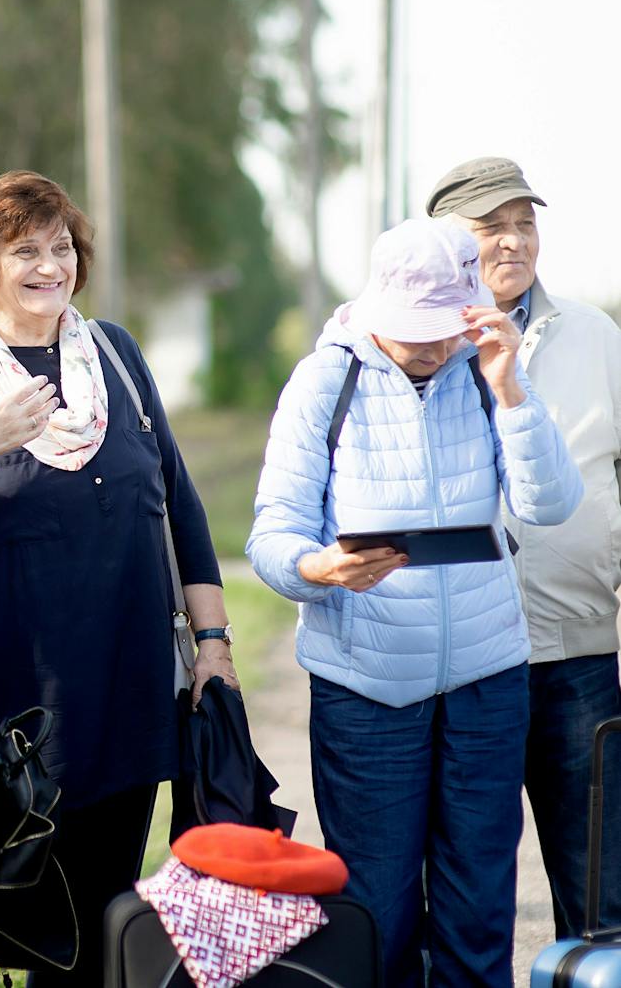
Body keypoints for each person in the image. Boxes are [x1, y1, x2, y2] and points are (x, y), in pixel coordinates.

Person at [0, 170, 237, 988]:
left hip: (121, 700)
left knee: (91, 938)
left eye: (61, 246)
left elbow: (179, 505)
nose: (50, 265)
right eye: (25, 250)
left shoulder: (116, 354)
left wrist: (213, 646)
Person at [247, 217, 582, 986]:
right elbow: (272, 535)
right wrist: (320, 567)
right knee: (377, 910)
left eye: (443, 328)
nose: (431, 346)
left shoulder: (485, 370)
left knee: (479, 907)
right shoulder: (325, 380)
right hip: (366, 692)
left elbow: (550, 502)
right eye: (414, 331)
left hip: (488, 683)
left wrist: (512, 391)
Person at [426, 157, 621, 941]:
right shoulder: (412, 341)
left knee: (600, 887)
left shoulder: (595, 335)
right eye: (490, 227)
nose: (512, 240)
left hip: (578, 657)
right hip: (463, 659)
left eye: (524, 222)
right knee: (471, 888)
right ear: (445, 242)